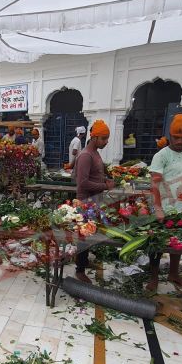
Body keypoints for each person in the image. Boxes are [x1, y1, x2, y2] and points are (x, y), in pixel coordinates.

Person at [147, 114, 182, 292]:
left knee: (178, 241)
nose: (179, 141)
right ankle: (154, 277)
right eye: (176, 137)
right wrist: (157, 208)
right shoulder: (161, 155)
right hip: (163, 205)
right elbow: (154, 184)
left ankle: (174, 273)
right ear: (170, 135)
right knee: (156, 242)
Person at [72, 120, 115, 283]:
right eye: (103, 138)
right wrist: (105, 185)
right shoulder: (85, 155)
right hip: (85, 202)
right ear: (94, 137)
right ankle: (79, 270)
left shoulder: (95, 152)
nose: (106, 142)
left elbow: (94, 175)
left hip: (94, 201)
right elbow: (82, 183)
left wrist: (105, 179)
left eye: (107, 138)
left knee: (90, 233)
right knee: (83, 235)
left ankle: (83, 261)